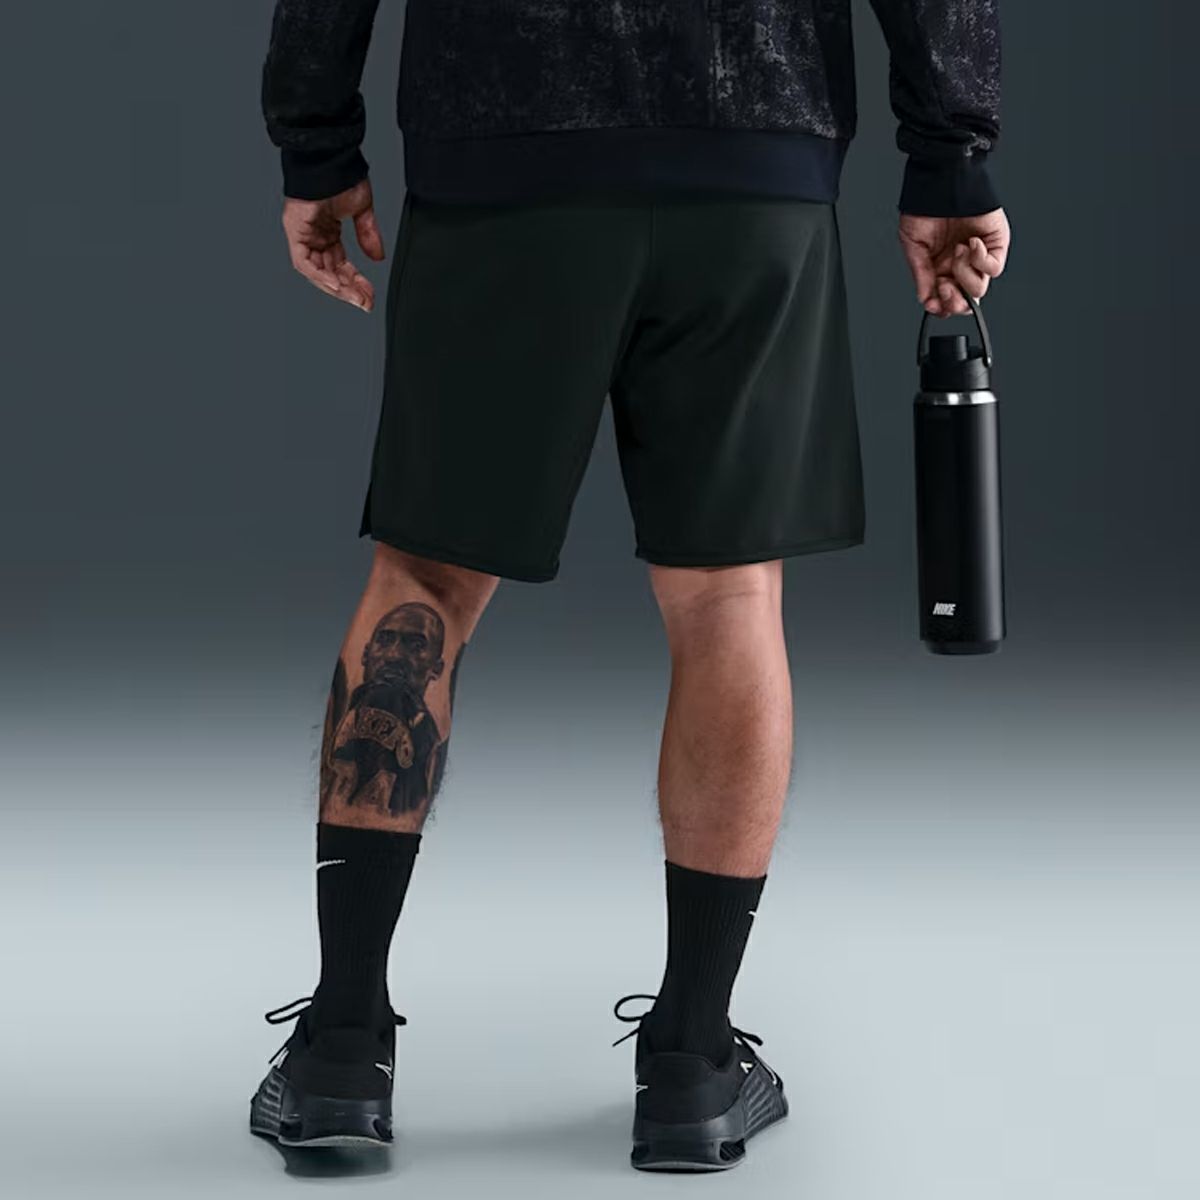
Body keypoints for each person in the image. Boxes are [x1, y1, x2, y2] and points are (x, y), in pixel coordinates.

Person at [250, 0, 1010, 1172]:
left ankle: (343, 1049)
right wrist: (950, 152)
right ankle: (693, 1064)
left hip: (503, 150)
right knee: (728, 597)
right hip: (750, 153)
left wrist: (317, 139)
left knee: (426, 583)